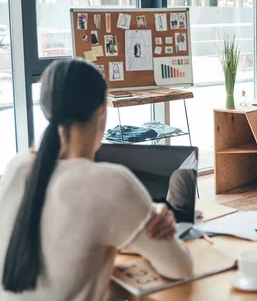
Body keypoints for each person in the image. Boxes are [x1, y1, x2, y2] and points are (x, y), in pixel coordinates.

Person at [0, 59, 193, 300]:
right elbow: (180, 268)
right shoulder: (110, 182)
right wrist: (150, 214)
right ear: (103, 106)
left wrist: (146, 211)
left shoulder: (16, 167)